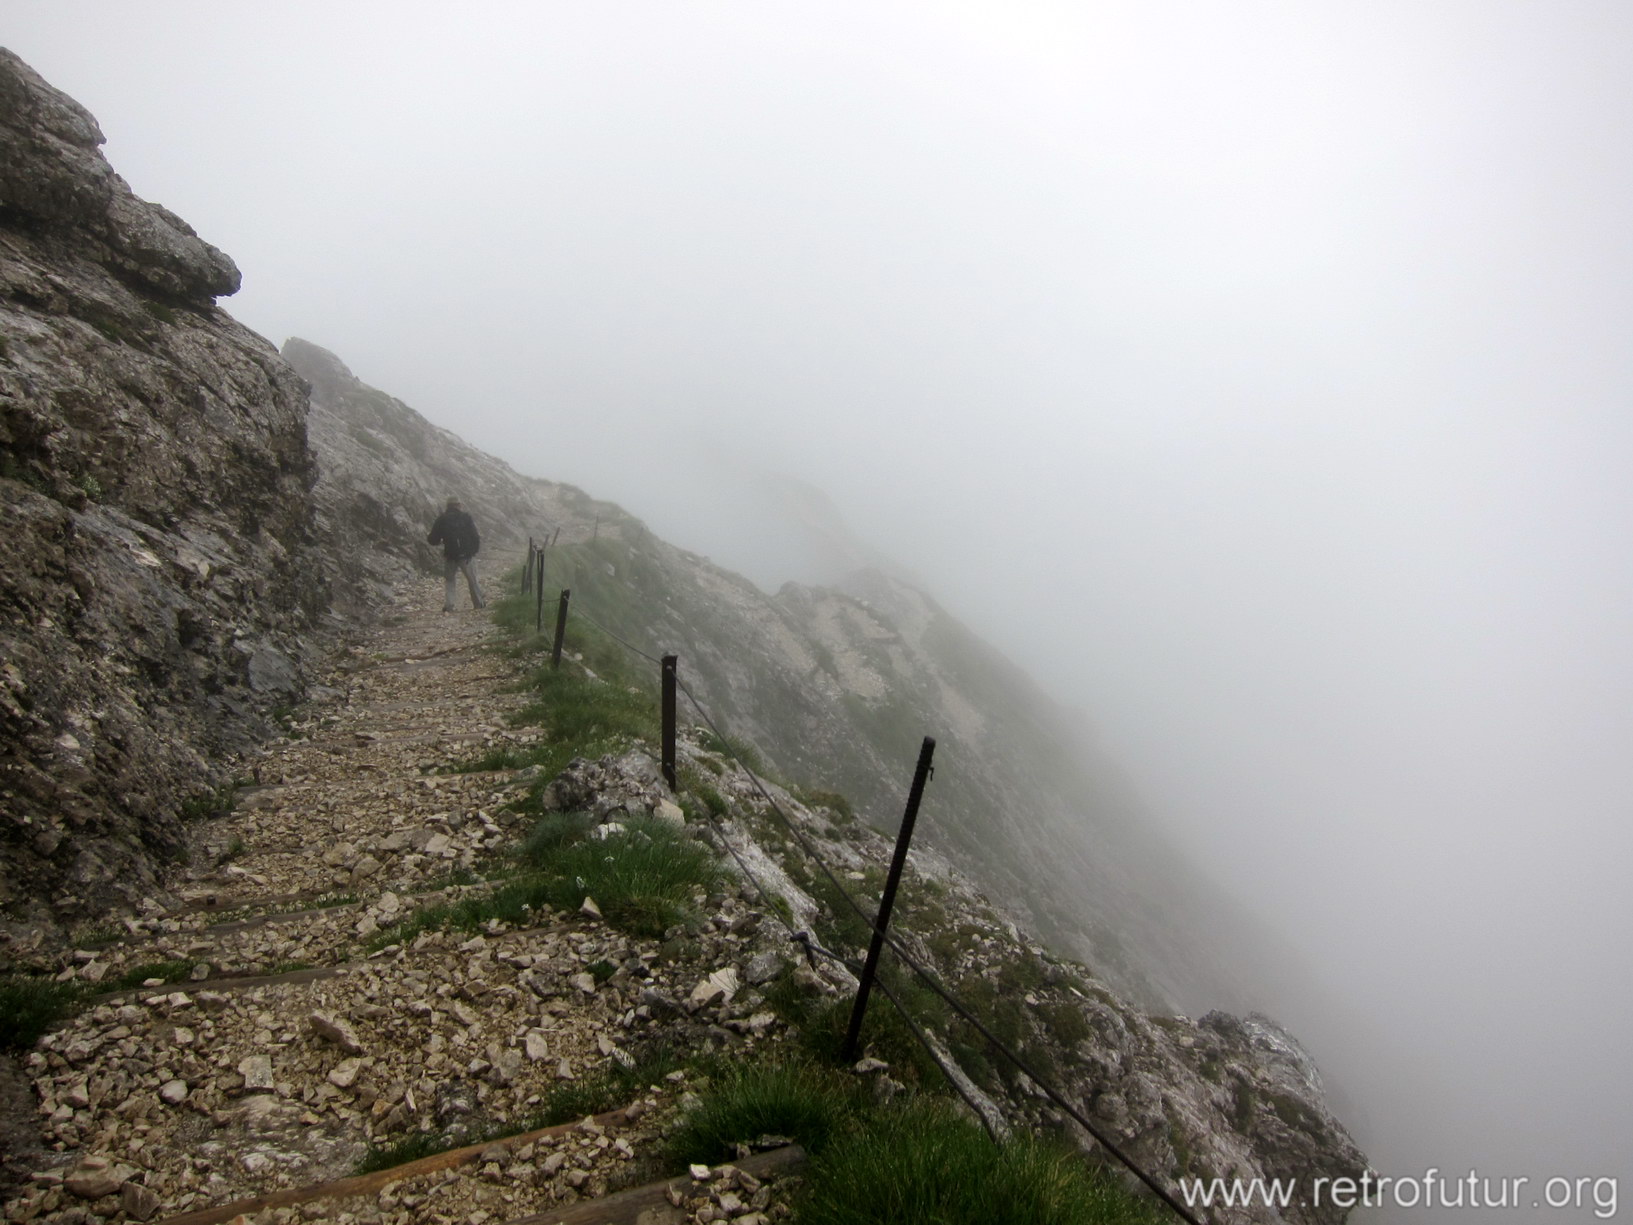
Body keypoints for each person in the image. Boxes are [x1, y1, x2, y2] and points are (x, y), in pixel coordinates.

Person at [427, 498, 486, 611]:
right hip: (467, 555)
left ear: (447, 506)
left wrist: (438, 541)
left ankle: (449, 605)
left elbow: (432, 539)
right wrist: (473, 551)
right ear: (459, 505)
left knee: (450, 580)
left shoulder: (442, 519)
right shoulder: (466, 518)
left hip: (450, 555)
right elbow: (475, 536)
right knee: (473, 580)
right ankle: (479, 604)